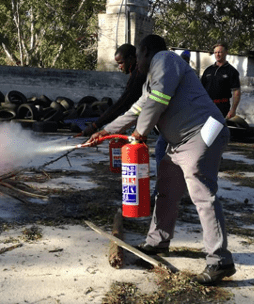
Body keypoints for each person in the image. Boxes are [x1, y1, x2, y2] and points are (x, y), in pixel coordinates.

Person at [87, 34, 235, 286]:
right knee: (166, 189)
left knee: (202, 193)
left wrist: (138, 133)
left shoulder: (164, 59)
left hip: (205, 131)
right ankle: (157, 243)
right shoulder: (152, 82)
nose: (136, 64)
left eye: (139, 56)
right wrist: (106, 130)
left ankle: (220, 260)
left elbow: (159, 101)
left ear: (145, 52)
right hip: (181, 142)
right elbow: (136, 110)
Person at [82, 44, 147, 136]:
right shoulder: (137, 73)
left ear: (131, 59)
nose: (120, 67)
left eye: (121, 63)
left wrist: (94, 126)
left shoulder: (138, 75)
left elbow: (121, 105)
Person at [201, 43, 241, 119]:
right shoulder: (208, 70)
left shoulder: (232, 71)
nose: (217, 54)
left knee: (216, 129)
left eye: (220, 52)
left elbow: (236, 91)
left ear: (226, 52)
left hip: (222, 108)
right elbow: (200, 89)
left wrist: (233, 110)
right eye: (215, 52)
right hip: (206, 106)